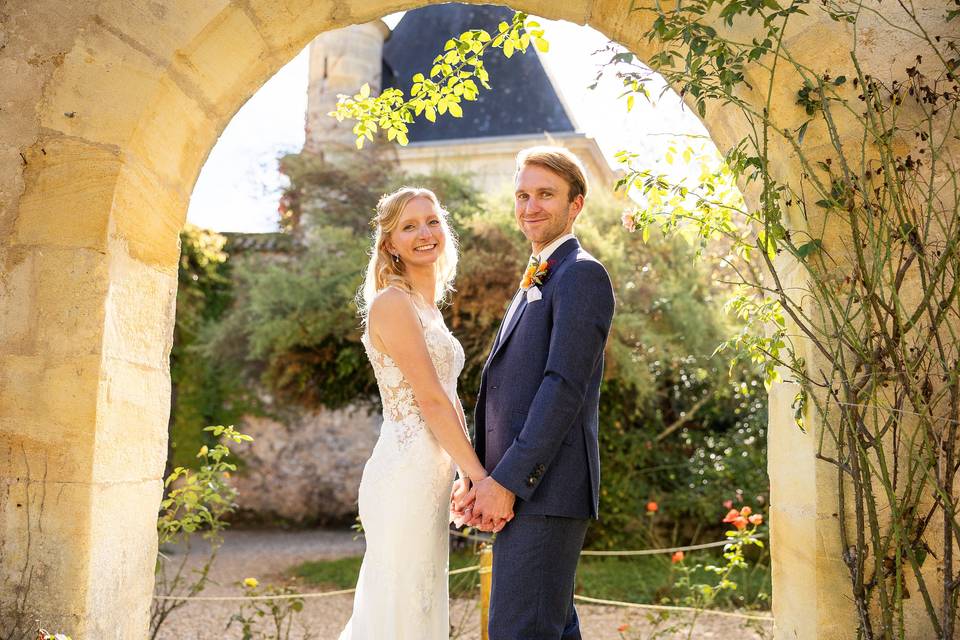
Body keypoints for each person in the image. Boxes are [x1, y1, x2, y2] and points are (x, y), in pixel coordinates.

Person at [452, 146, 616, 640]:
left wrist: (506, 482)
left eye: (546, 194)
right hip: (520, 489)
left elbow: (562, 389)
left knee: (519, 631)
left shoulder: (581, 274)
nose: (531, 206)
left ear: (577, 204)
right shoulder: (538, 275)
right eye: (523, 195)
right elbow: (506, 392)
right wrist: (479, 476)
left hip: (544, 491)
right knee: (548, 629)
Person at [338, 187, 490, 639]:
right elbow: (430, 401)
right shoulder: (392, 303)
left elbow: (451, 399)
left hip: (432, 473)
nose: (425, 233)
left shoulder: (429, 310)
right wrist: (480, 479)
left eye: (432, 221)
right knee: (398, 609)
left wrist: (464, 474)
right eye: (409, 226)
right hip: (405, 473)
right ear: (389, 244)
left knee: (421, 609)